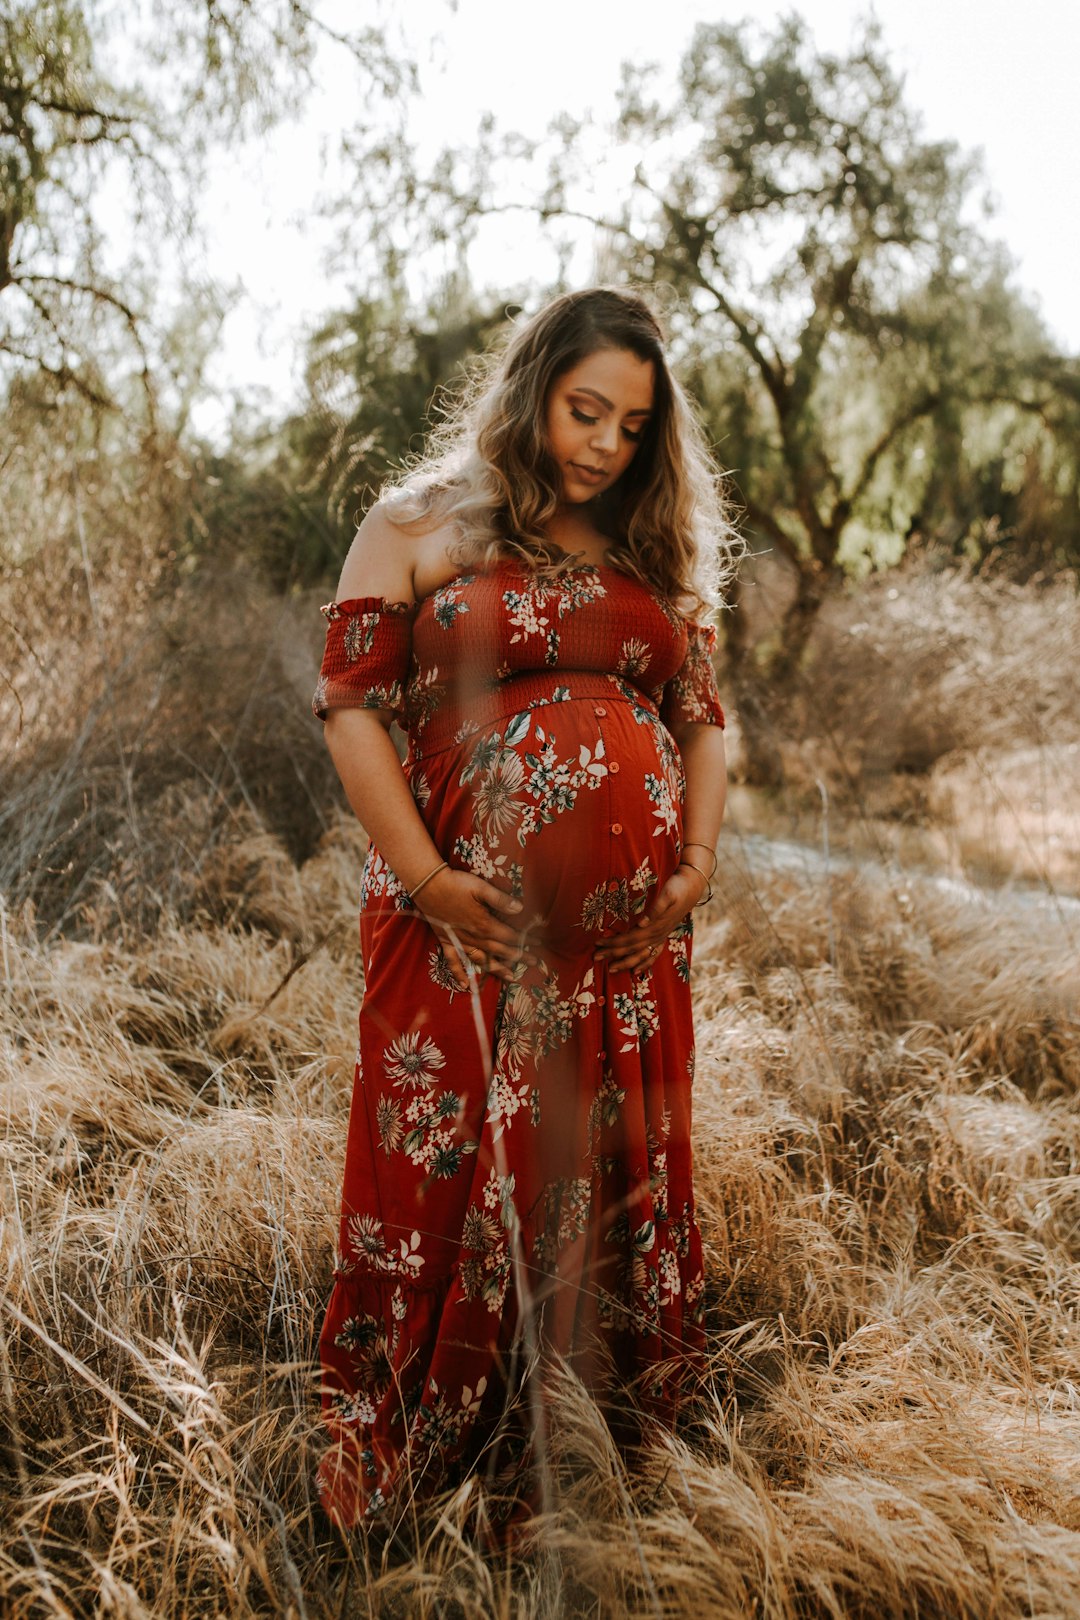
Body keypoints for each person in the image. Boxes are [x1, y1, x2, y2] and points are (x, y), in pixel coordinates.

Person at [310, 286, 737, 1535]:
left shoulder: (654, 553)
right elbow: (350, 706)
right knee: (438, 1186)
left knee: (606, 1187)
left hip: (624, 958)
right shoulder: (417, 524)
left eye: (631, 425)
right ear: (531, 390)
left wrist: (695, 859)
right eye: (582, 410)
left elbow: (702, 718)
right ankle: (412, 1464)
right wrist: (434, 882)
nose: (604, 444)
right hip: (463, 942)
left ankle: (591, 1462)